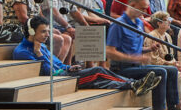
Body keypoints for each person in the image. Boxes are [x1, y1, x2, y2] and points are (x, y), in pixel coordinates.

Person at [14, 16, 160, 95]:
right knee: (98, 72)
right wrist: (39, 54)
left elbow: (57, 63)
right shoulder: (23, 52)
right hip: (58, 81)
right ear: (31, 32)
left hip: (65, 74)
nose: (47, 35)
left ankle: (135, 85)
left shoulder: (41, 45)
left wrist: (68, 67)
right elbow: (47, 73)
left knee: (100, 82)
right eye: (43, 32)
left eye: (47, 31)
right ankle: (133, 83)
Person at [106, 0, 181, 110]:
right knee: (161, 71)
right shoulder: (118, 25)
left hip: (137, 66)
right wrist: (133, 57)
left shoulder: (139, 24)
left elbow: (136, 49)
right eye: (142, 8)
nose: (144, 12)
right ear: (132, 5)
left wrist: (149, 49)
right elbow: (110, 52)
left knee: (172, 70)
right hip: (122, 68)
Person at [3, 0, 70, 61]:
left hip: (35, 27)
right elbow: (23, 19)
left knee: (67, 38)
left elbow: (40, 15)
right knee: (58, 39)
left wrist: (49, 28)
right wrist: (43, 30)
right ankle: (49, 66)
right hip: (19, 28)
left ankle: (58, 66)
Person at [145, 11, 181, 110]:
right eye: (166, 20)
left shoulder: (167, 36)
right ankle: (178, 106)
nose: (169, 22)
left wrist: (175, 62)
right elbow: (152, 59)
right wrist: (171, 64)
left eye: (169, 20)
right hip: (160, 66)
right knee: (180, 77)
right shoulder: (152, 36)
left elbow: (171, 55)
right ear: (159, 23)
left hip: (170, 64)